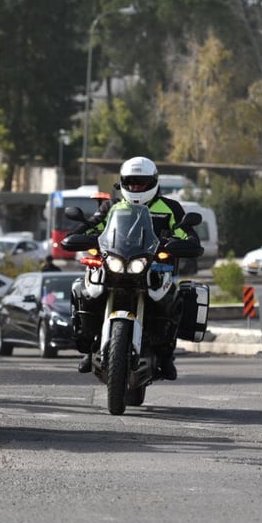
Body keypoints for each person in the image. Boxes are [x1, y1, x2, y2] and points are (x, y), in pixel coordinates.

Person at [73, 156, 200, 381]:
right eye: (131, 182)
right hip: (115, 265)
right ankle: (92, 345)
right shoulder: (112, 206)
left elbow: (186, 232)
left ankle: (166, 355)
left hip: (157, 269)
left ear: (153, 182)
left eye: (140, 183)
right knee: (85, 289)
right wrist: (79, 235)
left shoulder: (170, 208)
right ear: (122, 182)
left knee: (176, 300)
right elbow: (93, 226)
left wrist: (186, 241)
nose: (135, 187)